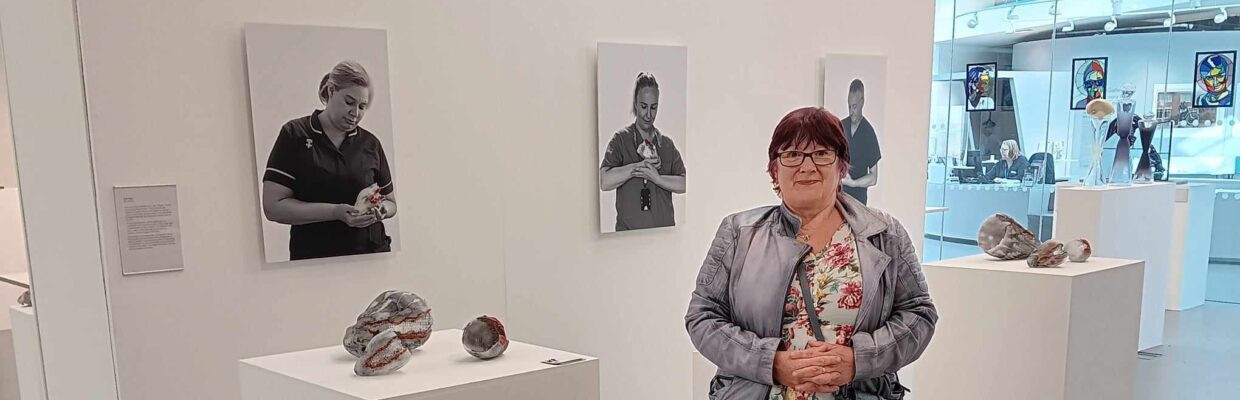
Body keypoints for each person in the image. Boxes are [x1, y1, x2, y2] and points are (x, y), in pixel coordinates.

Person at [686, 107, 937, 399]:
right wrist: (771, 363)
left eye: (821, 153)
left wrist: (859, 360)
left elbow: (920, 314)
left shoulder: (884, 234)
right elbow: (702, 317)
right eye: (792, 154)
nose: (807, 167)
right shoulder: (739, 233)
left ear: (841, 166)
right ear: (774, 169)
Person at [261, 60, 397, 260]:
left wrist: (383, 210)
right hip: (315, 259)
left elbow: (391, 202)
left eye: (362, 106)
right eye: (349, 102)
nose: (356, 113)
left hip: (371, 256)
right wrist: (335, 212)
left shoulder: (370, 143)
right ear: (331, 91)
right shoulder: (295, 134)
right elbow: (273, 207)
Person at [599, 72, 686, 231]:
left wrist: (657, 178)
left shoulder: (667, 144)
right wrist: (639, 167)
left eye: (654, 107)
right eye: (644, 106)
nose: (648, 114)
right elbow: (604, 181)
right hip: (627, 238)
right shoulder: (620, 139)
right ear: (635, 104)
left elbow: (685, 183)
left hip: (665, 237)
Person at [841, 79, 880, 205]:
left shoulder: (868, 133)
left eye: (854, 107)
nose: (851, 111)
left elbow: (873, 178)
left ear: (862, 102)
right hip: (838, 197)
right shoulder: (840, 126)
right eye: (849, 106)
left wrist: (853, 183)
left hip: (858, 202)